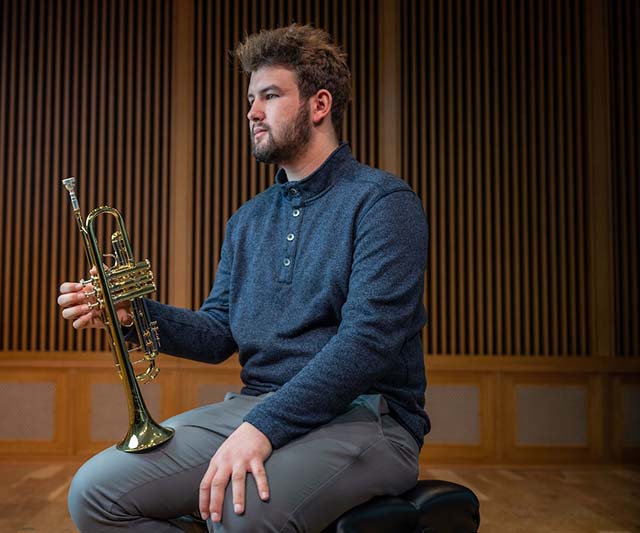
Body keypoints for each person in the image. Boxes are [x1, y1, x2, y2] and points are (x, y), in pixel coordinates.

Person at [58, 23, 429, 533]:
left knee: (241, 512)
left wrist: (266, 427)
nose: (252, 112)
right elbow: (218, 334)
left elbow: (367, 343)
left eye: (270, 95)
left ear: (319, 105)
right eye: (251, 97)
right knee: (94, 493)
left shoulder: (383, 204)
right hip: (257, 407)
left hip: (369, 416)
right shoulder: (248, 219)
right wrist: (132, 314)